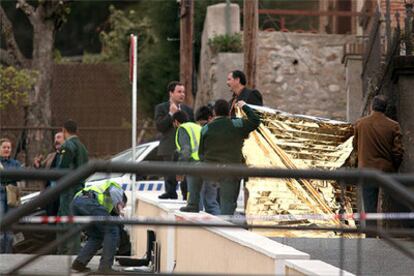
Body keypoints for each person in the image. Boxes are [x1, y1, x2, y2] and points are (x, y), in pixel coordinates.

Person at [199, 100, 260, 215]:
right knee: (227, 206)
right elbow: (255, 121)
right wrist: (244, 106)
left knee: (212, 206)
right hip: (232, 171)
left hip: (211, 171)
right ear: (228, 112)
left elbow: (200, 154)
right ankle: (225, 228)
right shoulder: (237, 124)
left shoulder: (206, 128)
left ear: (214, 112)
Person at [353, 95, 404, 229]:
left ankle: (371, 236)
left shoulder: (360, 124)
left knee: (369, 206)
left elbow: (355, 146)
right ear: (385, 108)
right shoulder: (393, 126)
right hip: (386, 170)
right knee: (398, 200)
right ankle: (403, 230)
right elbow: (398, 151)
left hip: (367, 170)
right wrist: (393, 166)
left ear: (372, 106)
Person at [71, 180, 127, 273]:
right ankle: (105, 267)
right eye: (123, 205)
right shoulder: (117, 188)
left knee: (97, 236)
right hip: (88, 201)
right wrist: (120, 207)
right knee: (112, 230)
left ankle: (79, 263)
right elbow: (114, 192)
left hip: (76, 204)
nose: (120, 208)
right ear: (122, 199)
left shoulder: (107, 203)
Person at [173, 108, 220, 214]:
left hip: (194, 166)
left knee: (195, 202)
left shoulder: (183, 129)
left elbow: (185, 151)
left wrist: (180, 170)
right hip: (208, 164)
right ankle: (220, 227)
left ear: (176, 122)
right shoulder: (198, 127)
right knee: (211, 203)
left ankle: (197, 228)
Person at [154, 81, 194, 199]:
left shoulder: (188, 109)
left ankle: (187, 195)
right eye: (179, 92)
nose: (182, 94)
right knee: (170, 175)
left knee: (187, 175)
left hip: (185, 148)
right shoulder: (161, 108)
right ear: (171, 93)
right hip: (169, 147)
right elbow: (160, 127)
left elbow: (192, 127)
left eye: (183, 92)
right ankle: (170, 192)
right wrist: (171, 114)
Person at [57, 119, 89, 254]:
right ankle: (69, 250)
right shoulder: (82, 147)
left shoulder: (68, 145)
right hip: (79, 186)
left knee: (67, 218)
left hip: (69, 187)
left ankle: (67, 252)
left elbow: (63, 167)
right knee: (70, 219)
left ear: (64, 130)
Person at [33, 131, 64, 216]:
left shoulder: (69, 155)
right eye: (55, 138)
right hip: (50, 193)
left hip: (63, 193)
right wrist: (37, 165)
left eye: (58, 138)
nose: (56, 141)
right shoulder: (51, 156)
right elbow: (41, 170)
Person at [0, 138, 22, 253]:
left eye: (8, 147)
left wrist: (5, 177)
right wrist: (10, 177)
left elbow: (19, 176)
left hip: (12, 196)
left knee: (10, 227)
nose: (7, 149)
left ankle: (8, 255)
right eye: (4, 147)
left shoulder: (15, 163)